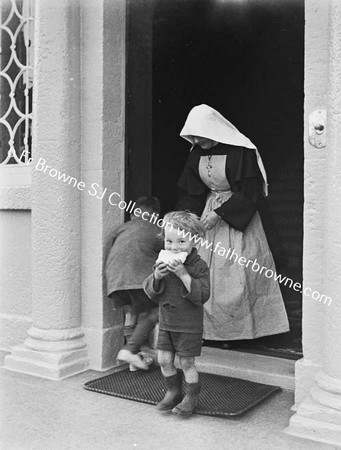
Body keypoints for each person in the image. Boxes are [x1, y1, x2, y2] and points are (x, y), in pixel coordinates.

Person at [176, 104, 289, 342]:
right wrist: (191, 217)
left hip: (237, 214)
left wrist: (220, 213)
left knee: (241, 271)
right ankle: (210, 331)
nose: (195, 140)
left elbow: (250, 191)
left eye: (200, 134)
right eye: (192, 135)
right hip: (208, 212)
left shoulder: (241, 151)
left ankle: (242, 332)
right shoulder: (196, 152)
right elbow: (192, 190)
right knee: (205, 269)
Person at [144, 211, 210, 416]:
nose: (174, 247)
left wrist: (183, 274)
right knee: (164, 359)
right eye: (169, 241)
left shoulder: (199, 266)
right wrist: (156, 276)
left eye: (181, 241)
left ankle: (192, 395)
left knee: (186, 362)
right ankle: (173, 390)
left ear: (194, 241)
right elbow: (149, 291)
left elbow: (203, 295)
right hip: (166, 321)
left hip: (188, 324)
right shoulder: (161, 262)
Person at [105, 196, 163, 370]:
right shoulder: (157, 228)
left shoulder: (122, 228)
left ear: (132, 214)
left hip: (114, 280)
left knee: (132, 312)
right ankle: (129, 350)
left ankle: (135, 358)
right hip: (138, 279)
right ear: (155, 215)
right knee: (157, 310)